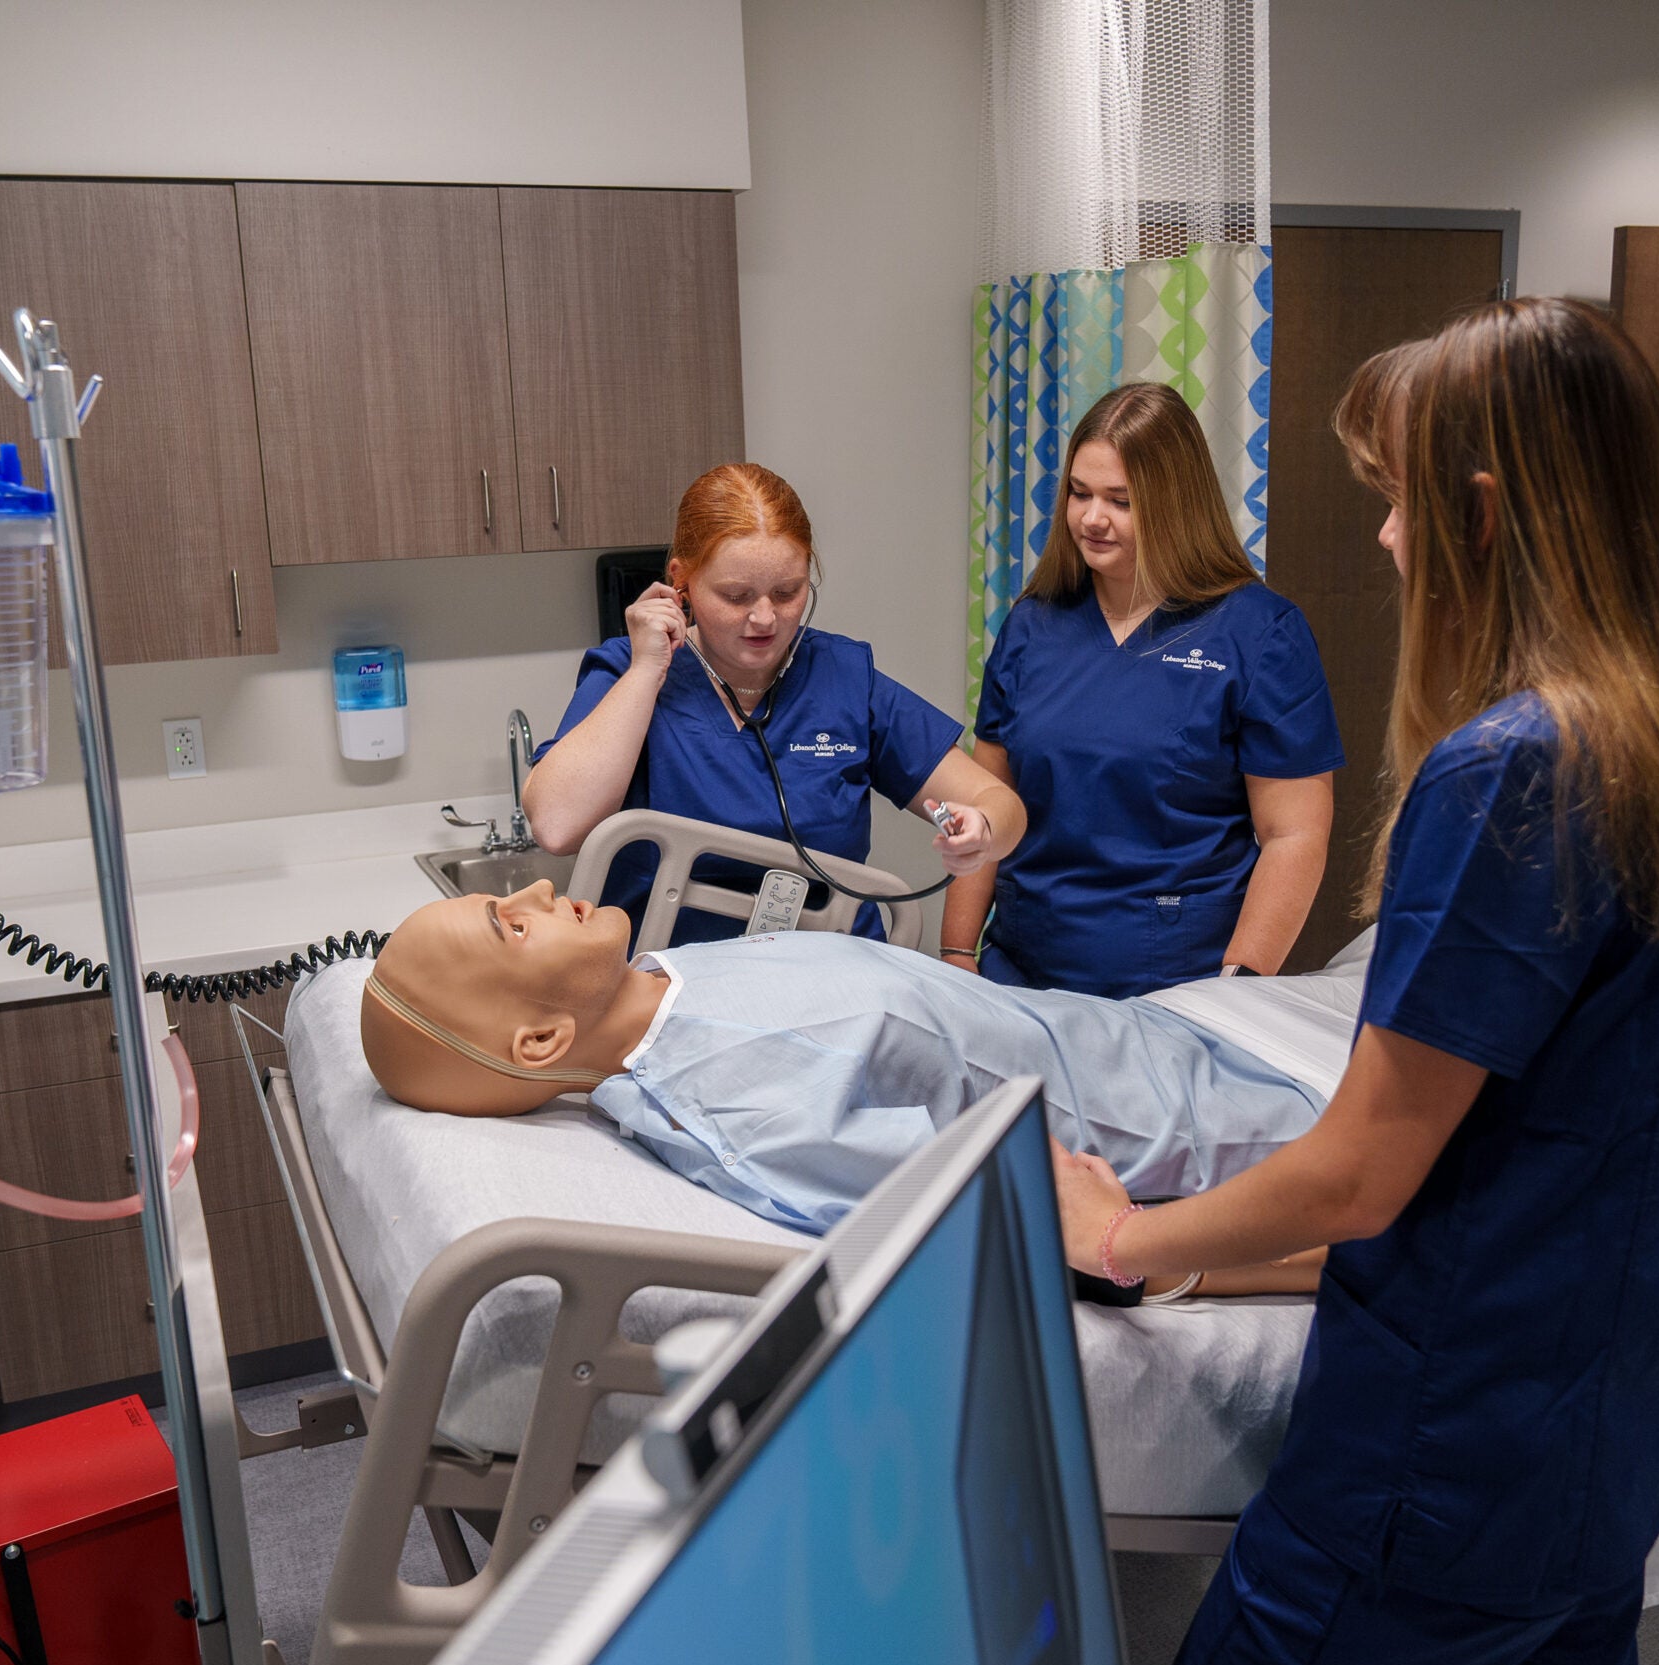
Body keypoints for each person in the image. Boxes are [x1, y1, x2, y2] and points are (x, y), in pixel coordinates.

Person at [1050, 299, 1659, 1665]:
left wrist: (1125, 1232)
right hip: (1606, 1439)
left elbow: (1360, 1171)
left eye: (1397, 502)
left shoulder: (1516, 768)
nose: (1387, 543)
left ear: (1480, 512)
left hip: (1437, 1463)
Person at [354, 880, 1322, 1276]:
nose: (532, 891)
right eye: (509, 925)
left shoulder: (671, 978)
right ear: (536, 1044)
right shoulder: (749, 1111)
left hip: (1165, 1040)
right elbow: (1035, 1235)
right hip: (1237, 1137)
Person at [945, 383, 1342, 998]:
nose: (1092, 518)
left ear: (1177, 503)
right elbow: (987, 800)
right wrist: (956, 952)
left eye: (1121, 501)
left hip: (1178, 987)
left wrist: (1237, 992)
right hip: (1020, 973)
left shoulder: (1259, 633)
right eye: (1079, 493)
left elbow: (1295, 836)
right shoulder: (1034, 623)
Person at [523, 462, 1025, 948]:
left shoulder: (844, 679)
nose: (765, 618)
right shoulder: (626, 673)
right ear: (681, 581)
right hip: (667, 996)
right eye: (736, 595)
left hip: (827, 988)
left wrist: (983, 830)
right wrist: (646, 673)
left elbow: (1001, 805)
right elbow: (557, 825)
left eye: (788, 592)